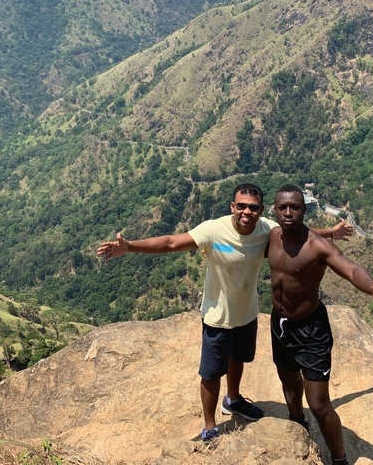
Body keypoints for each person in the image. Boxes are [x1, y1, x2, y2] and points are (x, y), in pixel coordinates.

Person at [98, 183, 352, 443]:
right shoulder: (213, 230)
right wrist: (129, 247)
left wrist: (331, 232)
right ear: (232, 207)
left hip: (246, 313)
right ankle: (209, 426)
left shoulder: (266, 228)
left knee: (237, 359)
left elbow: (298, 234)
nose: (246, 212)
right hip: (217, 316)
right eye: (240, 206)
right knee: (210, 373)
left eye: (253, 208)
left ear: (261, 210)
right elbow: (171, 242)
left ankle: (233, 399)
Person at [268, 184, 373, 465]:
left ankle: (339, 459)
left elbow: (349, 268)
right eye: (282, 208)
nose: (288, 213)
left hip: (311, 330)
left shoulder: (318, 246)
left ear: (304, 209)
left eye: (295, 207)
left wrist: (371, 288)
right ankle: (297, 423)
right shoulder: (272, 236)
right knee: (288, 381)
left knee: (320, 404)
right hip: (280, 324)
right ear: (274, 210)